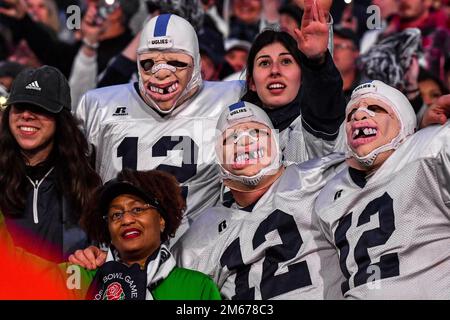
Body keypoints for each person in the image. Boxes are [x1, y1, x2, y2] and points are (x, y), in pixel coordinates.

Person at [69, 101, 346, 300]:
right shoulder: (202, 233)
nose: (245, 142)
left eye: (256, 132)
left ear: (276, 141)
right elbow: (155, 275)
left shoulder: (322, 177)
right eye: (232, 138)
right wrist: (103, 260)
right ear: (217, 155)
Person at [74, 13, 244, 242]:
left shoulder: (232, 97)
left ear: (196, 64)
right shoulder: (98, 106)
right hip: (118, 257)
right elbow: (71, 187)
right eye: (149, 63)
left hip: (200, 254)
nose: (161, 73)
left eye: (176, 62)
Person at [314, 80, 450, 299]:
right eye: (351, 114)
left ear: (404, 124)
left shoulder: (430, 151)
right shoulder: (328, 194)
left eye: (376, 108)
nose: (359, 116)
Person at [66, 169, 221, 300]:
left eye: (137, 209)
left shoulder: (198, 287)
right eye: (116, 215)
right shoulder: (80, 276)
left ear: (161, 219)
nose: (126, 220)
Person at [0, 65, 101, 262]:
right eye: (19, 106)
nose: (27, 115)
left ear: (61, 119)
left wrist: (92, 254)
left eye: (39, 108)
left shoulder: (86, 178)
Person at [242, 0, 346, 165]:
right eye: (264, 63)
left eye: (286, 61)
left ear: (302, 76)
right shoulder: (233, 137)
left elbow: (324, 97)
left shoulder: (315, 127)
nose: (275, 70)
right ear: (252, 83)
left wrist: (316, 60)